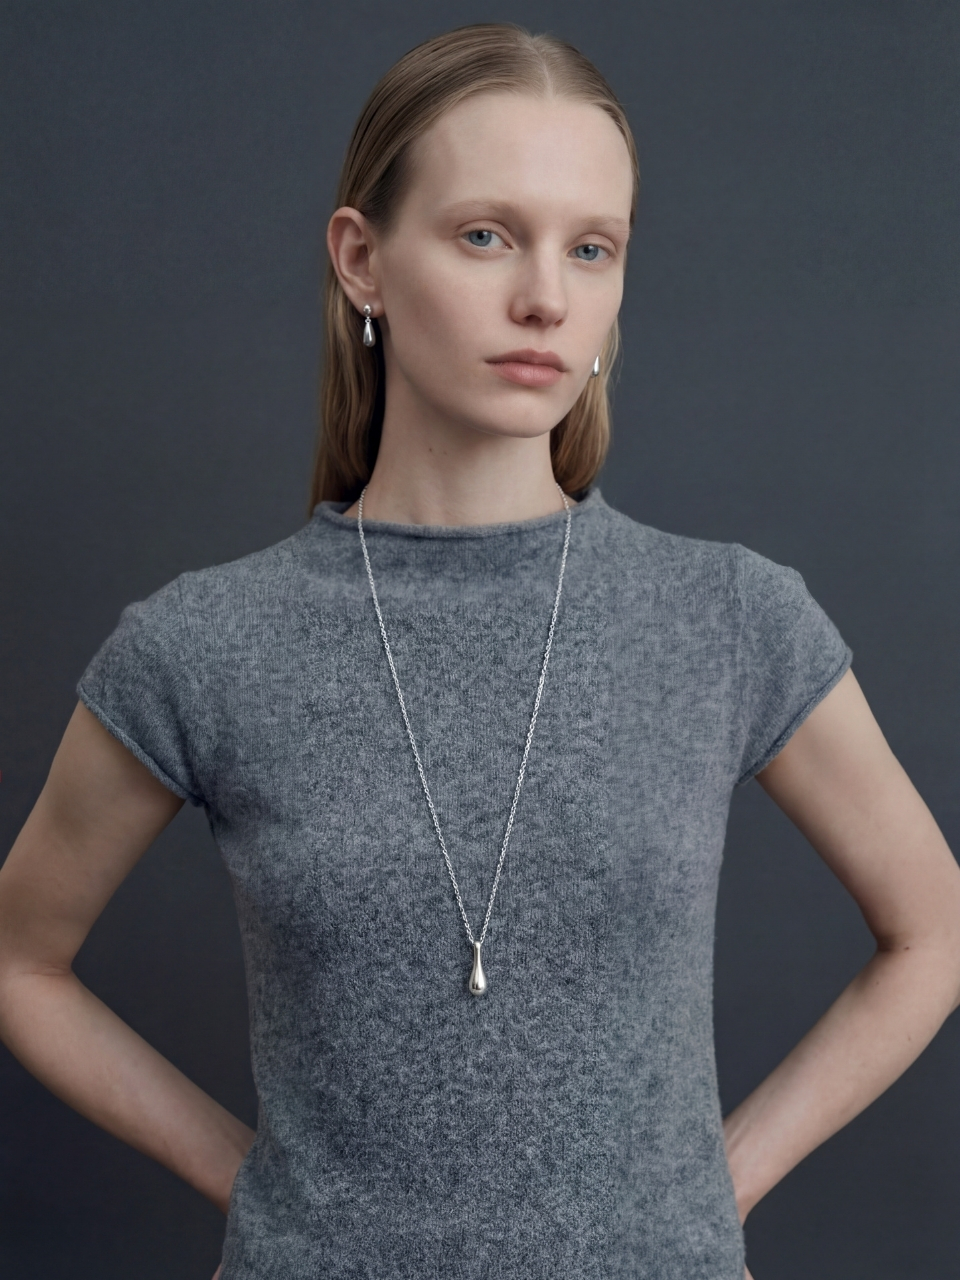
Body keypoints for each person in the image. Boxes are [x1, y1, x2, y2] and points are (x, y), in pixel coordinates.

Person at [0, 23, 958, 1280]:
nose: (546, 297)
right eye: (487, 235)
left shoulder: (727, 616)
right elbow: (20, 961)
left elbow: (935, 929)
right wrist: (257, 1183)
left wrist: (707, 1191)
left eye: (592, 247)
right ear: (363, 260)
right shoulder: (205, 645)